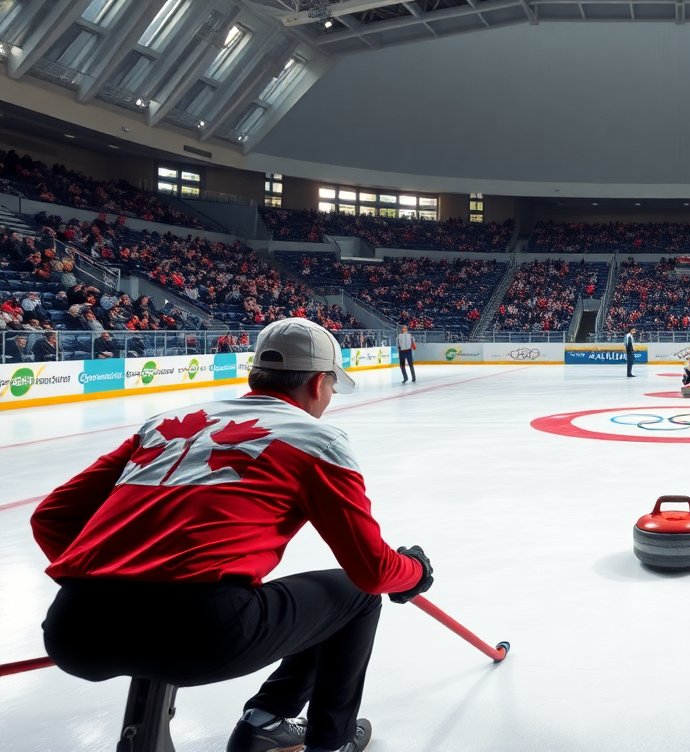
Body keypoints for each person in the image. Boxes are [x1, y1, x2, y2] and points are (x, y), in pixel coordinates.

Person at [31, 318, 433, 752]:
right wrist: (415, 571)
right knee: (355, 595)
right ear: (318, 383)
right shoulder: (317, 441)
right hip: (201, 632)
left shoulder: (165, 424)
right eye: (333, 387)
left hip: (75, 630)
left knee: (328, 600)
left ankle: (268, 723)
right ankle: (327, 742)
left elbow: (51, 518)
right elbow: (372, 571)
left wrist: (110, 580)